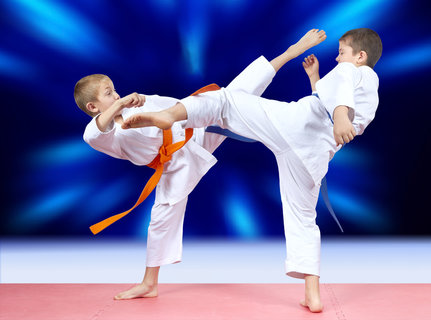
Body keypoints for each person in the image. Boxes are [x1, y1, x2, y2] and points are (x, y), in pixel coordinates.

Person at [121, 28, 382, 312]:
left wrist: (342, 114)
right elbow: (329, 103)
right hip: (314, 155)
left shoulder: (358, 73)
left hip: (295, 124)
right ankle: (312, 294)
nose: (337, 57)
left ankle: (170, 115)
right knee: (303, 219)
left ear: (361, 56)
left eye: (342, 52)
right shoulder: (369, 93)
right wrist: (315, 79)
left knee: (225, 100)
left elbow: (342, 87)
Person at [73, 29, 327, 301]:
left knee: (235, 93)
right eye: (108, 93)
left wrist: (142, 101)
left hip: (196, 128)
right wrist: (123, 103)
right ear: (92, 106)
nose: (116, 95)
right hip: (174, 163)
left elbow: (170, 103)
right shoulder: (98, 134)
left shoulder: (130, 108)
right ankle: (149, 283)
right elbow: (98, 129)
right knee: (160, 219)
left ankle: (291, 51)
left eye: (114, 90)